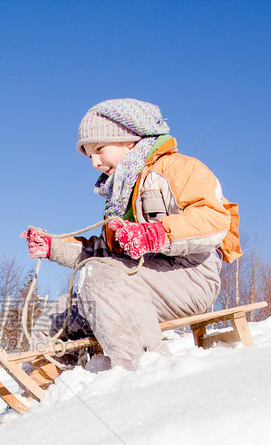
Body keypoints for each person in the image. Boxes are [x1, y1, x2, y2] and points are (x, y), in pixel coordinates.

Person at [21, 98, 241, 375]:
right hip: (133, 282)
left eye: (99, 150)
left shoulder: (178, 169)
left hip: (190, 278)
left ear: (129, 139)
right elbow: (105, 256)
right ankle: (42, 389)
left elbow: (213, 220)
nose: (94, 162)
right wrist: (53, 247)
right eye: (89, 155)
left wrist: (156, 234)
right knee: (58, 316)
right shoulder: (121, 194)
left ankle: (141, 372)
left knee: (99, 276)